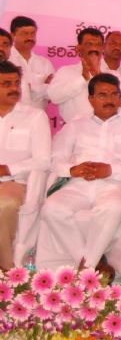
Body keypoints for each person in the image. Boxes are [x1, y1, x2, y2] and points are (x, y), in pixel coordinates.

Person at [37, 73, 121, 280]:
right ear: (90, 99)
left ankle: (86, 267)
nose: (109, 100)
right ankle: (91, 263)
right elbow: (56, 158)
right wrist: (73, 170)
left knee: (113, 208)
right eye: (102, 95)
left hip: (114, 184)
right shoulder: (75, 125)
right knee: (52, 208)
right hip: (78, 183)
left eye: (114, 94)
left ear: (120, 98)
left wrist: (111, 169)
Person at [0, 60, 51, 270]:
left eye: (16, 83)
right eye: (6, 84)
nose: (14, 88)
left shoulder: (34, 116)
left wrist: (8, 169)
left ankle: (6, 268)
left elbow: (44, 159)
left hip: (14, 182)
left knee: (4, 204)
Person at [49, 28, 121, 123]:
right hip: (76, 129)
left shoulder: (112, 74)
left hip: (108, 129)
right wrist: (83, 79)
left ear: (102, 48)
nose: (94, 48)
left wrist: (99, 76)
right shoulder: (66, 71)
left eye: (98, 45)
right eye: (89, 44)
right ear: (79, 48)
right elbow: (54, 96)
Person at [8, 16, 53, 111]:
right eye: (25, 33)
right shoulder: (6, 61)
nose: (30, 37)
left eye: (33, 34)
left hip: (39, 117)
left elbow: (53, 93)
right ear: (12, 35)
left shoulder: (44, 63)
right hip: (10, 116)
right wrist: (43, 88)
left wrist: (29, 88)